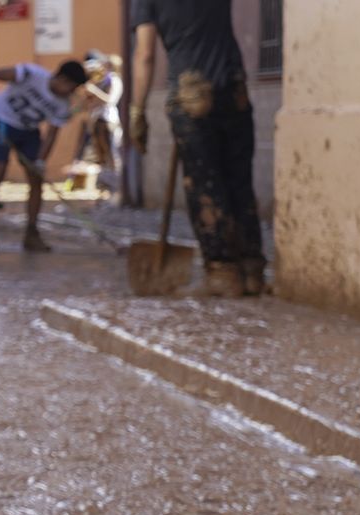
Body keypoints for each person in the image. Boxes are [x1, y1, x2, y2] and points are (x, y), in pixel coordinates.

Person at [130, 0, 264, 295]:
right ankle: (252, 271)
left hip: (191, 91)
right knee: (239, 180)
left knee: (204, 184)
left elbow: (145, 54)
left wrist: (137, 111)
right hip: (234, 88)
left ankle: (222, 273)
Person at [0, 59, 87, 253]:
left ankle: (31, 233)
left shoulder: (62, 105)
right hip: (2, 122)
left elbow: (51, 134)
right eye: (71, 86)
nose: (71, 92)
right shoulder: (30, 74)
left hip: (28, 131)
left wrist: (41, 160)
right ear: (61, 78)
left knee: (36, 179)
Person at [81, 53, 124, 192]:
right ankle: (107, 186)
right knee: (101, 156)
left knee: (111, 154)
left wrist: (94, 91)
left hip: (108, 120)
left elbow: (110, 100)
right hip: (97, 120)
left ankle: (117, 186)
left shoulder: (114, 80)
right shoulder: (101, 80)